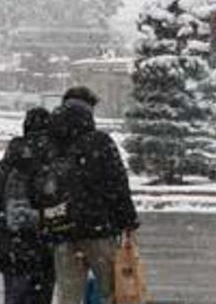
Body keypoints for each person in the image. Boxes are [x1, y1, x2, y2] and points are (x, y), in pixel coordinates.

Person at [43, 87, 139, 304]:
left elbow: (40, 186)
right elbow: (118, 186)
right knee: (111, 293)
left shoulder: (51, 142)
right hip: (98, 229)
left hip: (62, 230)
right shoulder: (100, 142)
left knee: (69, 297)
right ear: (89, 111)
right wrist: (128, 222)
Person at [0, 108, 55, 304]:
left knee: (14, 295)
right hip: (42, 242)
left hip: (10, 241)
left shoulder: (8, 160)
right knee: (41, 296)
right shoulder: (52, 159)